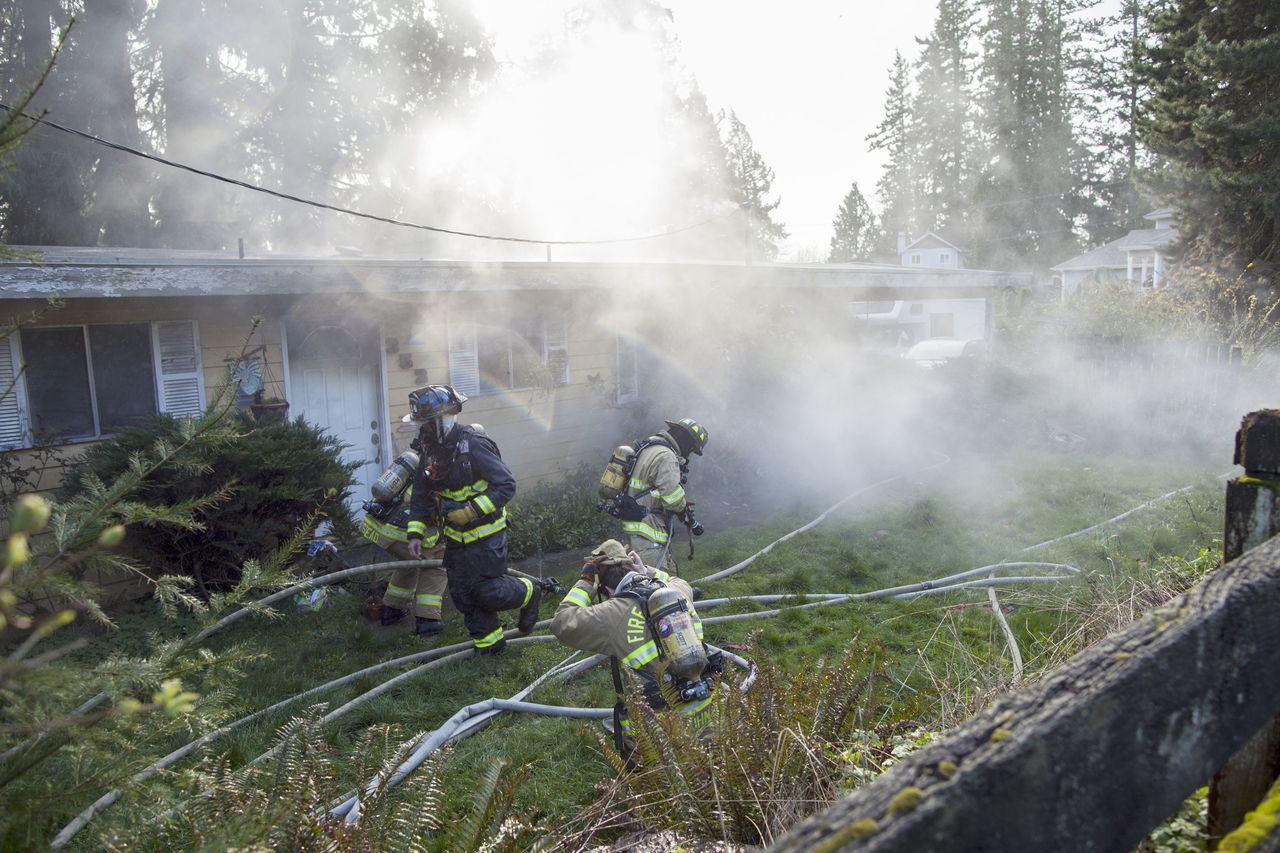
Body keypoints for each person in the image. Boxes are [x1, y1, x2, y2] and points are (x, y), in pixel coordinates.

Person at [403, 385, 540, 656]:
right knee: (463, 594)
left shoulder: (473, 445)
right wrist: (415, 533)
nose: (422, 429)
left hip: (486, 537)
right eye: (420, 424)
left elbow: (505, 486)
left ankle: (530, 591)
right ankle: (489, 647)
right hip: (455, 540)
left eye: (426, 423)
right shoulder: (430, 451)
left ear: (445, 418)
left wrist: (470, 511)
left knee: (487, 591)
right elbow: (421, 493)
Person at [550, 539, 721, 745]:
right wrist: (646, 570)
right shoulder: (676, 592)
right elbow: (680, 581)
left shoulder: (610, 615)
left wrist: (586, 583)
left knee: (637, 732)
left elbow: (562, 622)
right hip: (711, 703)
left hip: (663, 731)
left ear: (607, 589)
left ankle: (638, 756)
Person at [359, 438, 447, 636]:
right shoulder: (435, 468)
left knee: (410, 562)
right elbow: (434, 507)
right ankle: (428, 621)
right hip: (400, 531)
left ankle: (392, 610)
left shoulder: (411, 460)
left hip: (379, 526)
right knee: (436, 565)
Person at [618, 417, 709, 572]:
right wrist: (682, 509)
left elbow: (655, 487)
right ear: (687, 441)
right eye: (692, 449)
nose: (689, 454)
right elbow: (672, 499)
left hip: (637, 524)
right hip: (648, 530)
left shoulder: (650, 446)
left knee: (652, 576)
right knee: (657, 580)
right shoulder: (667, 456)